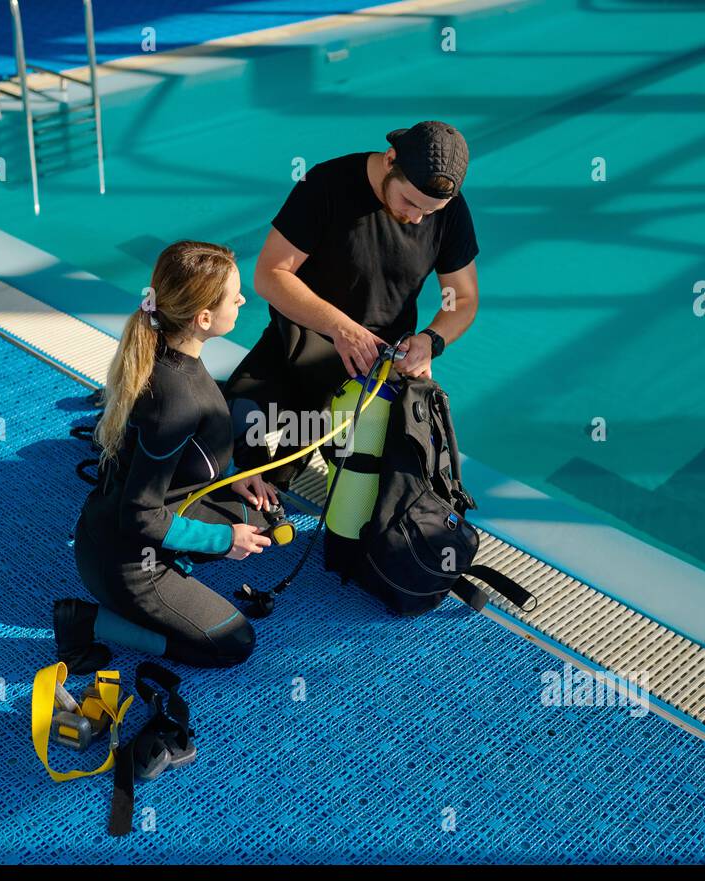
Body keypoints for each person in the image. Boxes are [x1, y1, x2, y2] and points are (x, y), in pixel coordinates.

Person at [60, 241, 280, 669]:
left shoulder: (174, 353)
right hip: (127, 561)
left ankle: (181, 562)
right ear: (203, 318)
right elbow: (139, 515)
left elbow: (189, 456)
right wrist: (222, 541)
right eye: (233, 295)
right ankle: (85, 622)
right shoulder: (174, 402)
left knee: (266, 515)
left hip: (140, 517)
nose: (242, 299)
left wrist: (233, 475)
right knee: (233, 643)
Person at [223, 120, 480, 487]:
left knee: (370, 493)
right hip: (299, 345)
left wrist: (430, 341)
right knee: (233, 430)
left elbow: (465, 298)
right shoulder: (327, 185)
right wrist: (340, 327)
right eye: (410, 202)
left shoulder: (451, 212)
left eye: (431, 211)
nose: (416, 217)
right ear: (391, 160)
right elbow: (269, 274)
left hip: (375, 371)